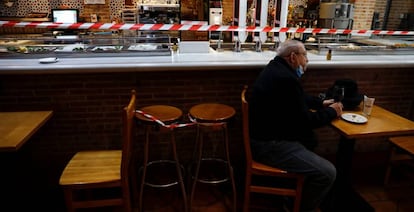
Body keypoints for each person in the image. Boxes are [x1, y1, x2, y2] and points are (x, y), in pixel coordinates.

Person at [248, 39, 343, 212]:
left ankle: (294, 194)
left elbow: (299, 98)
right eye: (305, 56)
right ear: (293, 57)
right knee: (328, 173)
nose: (307, 61)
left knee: (311, 141)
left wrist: (321, 103)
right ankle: (297, 207)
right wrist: (333, 112)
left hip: (265, 137)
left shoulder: (276, 69)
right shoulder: (286, 79)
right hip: (269, 145)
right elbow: (306, 121)